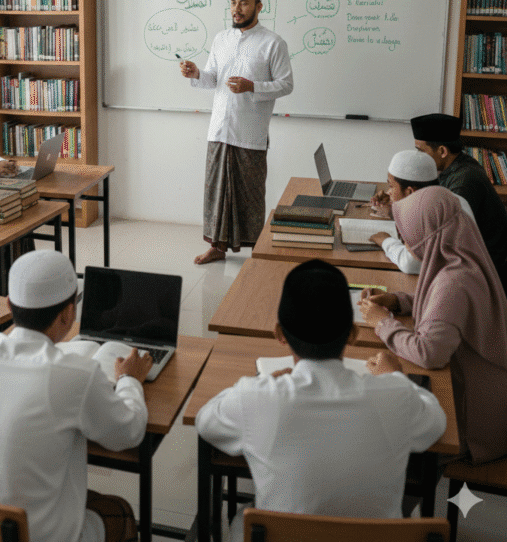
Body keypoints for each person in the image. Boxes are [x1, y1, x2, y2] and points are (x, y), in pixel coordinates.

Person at [196, 259, 445, 541]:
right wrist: (396, 377)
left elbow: (206, 421)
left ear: (279, 334)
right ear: (353, 335)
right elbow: (436, 422)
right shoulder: (396, 396)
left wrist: (260, 384)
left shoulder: (255, 397)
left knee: (243, 517)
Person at [0, 250, 153, 542]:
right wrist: (129, 379)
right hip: (28, 536)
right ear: (68, 313)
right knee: (119, 511)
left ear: (9, 304)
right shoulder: (77, 374)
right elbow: (128, 433)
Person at [360, 185, 507, 464]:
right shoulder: (462, 258)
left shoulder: (454, 282)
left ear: (428, 234)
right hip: (483, 396)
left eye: (408, 231)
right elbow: (446, 310)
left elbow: (430, 353)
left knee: (375, 435)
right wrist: (398, 301)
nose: (405, 239)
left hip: (474, 422)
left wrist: (383, 324)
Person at [180, 0, 293, 264]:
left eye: (243, 3)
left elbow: (286, 84)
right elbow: (213, 78)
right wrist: (196, 73)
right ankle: (216, 248)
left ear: (259, 6)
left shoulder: (273, 43)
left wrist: (252, 86)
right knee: (216, 194)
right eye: (233, 3)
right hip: (219, 130)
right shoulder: (221, 39)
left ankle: (257, 251)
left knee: (250, 196)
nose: (236, 9)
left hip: (250, 133)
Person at [411, 112, 507, 284]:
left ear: (442, 151)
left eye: (421, 151)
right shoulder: (458, 165)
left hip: (485, 275)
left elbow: (442, 239)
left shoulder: (464, 181)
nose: (417, 157)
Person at [369, 149, 474, 274]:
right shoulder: (455, 199)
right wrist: (395, 209)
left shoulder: (426, 213)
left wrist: (385, 241)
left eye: (391, 186)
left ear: (410, 192)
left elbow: (410, 264)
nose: (389, 192)